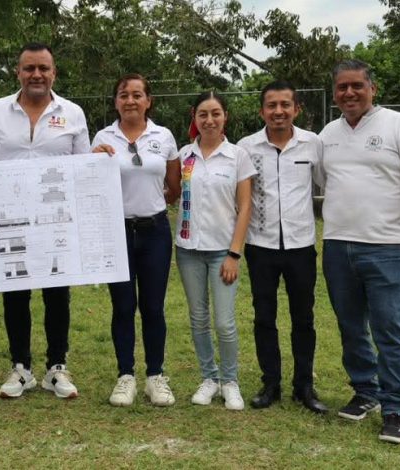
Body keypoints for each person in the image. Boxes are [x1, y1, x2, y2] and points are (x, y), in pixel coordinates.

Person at [320, 59, 400, 444]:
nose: (349, 93)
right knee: (350, 326)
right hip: (337, 246)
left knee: (389, 327)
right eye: (342, 87)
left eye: (357, 85)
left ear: (373, 88)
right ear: (334, 93)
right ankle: (365, 390)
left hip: (385, 247)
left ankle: (395, 407)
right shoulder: (328, 134)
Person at [0, 42, 90, 399]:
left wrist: (99, 162)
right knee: (15, 294)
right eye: (29, 68)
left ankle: (57, 367)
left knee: (57, 294)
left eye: (43, 68)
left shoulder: (72, 113)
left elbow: (83, 168)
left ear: (54, 73)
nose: (36, 74)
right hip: (10, 221)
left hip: (56, 223)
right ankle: (21, 369)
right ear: (18, 72)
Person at [237, 81, 328, 414]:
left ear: (296, 109)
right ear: (262, 111)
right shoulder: (246, 147)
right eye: (271, 105)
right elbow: (240, 196)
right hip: (260, 246)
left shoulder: (312, 144)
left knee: (304, 318)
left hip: (301, 245)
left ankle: (304, 386)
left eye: (285, 105)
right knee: (264, 316)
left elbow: (327, 183)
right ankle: (270, 383)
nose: (279, 111)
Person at [91, 74, 180, 407]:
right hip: (117, 232)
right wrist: (94, 159)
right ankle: (125, 375)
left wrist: (149, 203)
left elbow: (173, 188)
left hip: (155, 231)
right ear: (116, 101)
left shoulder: (164, 136)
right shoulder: (102, 137)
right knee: (124, 306)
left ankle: (155, 376)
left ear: (148, 100)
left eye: (137, 94)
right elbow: (91, 184)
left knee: (153, 307)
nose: (130, 100)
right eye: (123, 94)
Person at [175, 91, 255, 410]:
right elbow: (170, 192)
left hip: (223, 252)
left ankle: (230, 381)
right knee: (198, 319)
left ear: (225, 117)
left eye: (216, 113)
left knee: (224, 322)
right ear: (194, 117)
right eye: (203, 114)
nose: (209, 120)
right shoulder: (184, 155)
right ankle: (209, 378)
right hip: (188, 250)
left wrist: (234, 254)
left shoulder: (237, 156)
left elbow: (245, 206)